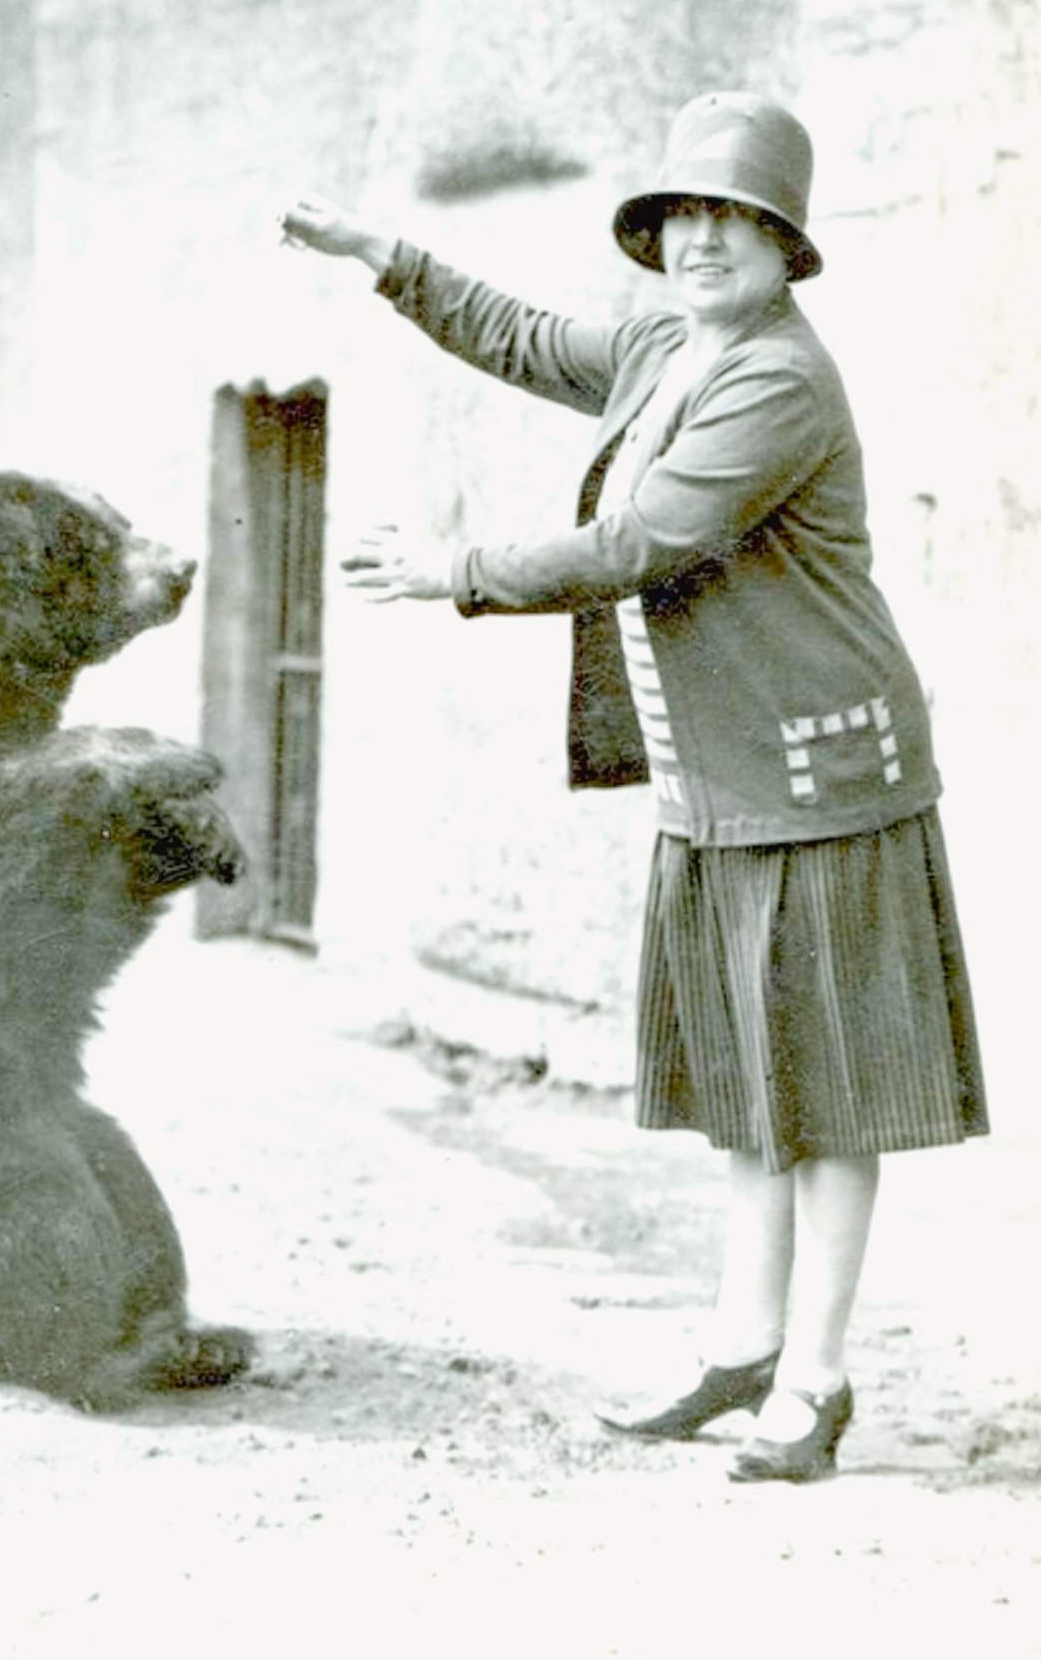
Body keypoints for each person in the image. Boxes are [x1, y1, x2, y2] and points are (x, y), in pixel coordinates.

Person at [279, 91, 988, 1485]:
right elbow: (529, 340)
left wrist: (455, 571)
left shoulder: (779, 376)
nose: (701, 242)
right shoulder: (671, 343)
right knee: (747, 1076)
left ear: (787, 247)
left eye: (736, 220)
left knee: (828, 1095)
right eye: (680, 217)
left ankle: (815, 1379)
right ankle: (741, 1347)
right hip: (717, 781)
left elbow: (645, 539)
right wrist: (388, 257)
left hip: (816, 778)